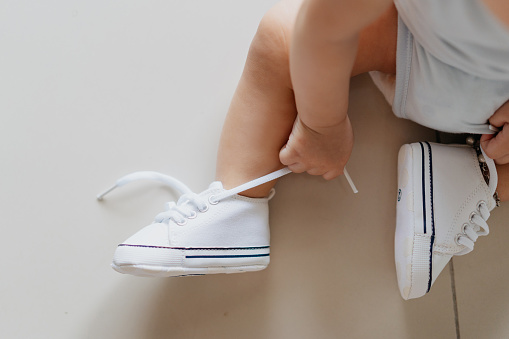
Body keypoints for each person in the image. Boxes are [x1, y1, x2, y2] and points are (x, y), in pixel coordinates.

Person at [100, 0, 509, 299]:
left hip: (419, 47)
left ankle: (239, 202)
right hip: (487, 99)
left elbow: (325, 25)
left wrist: (323, 125)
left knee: (283, 36)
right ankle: (478, 176)